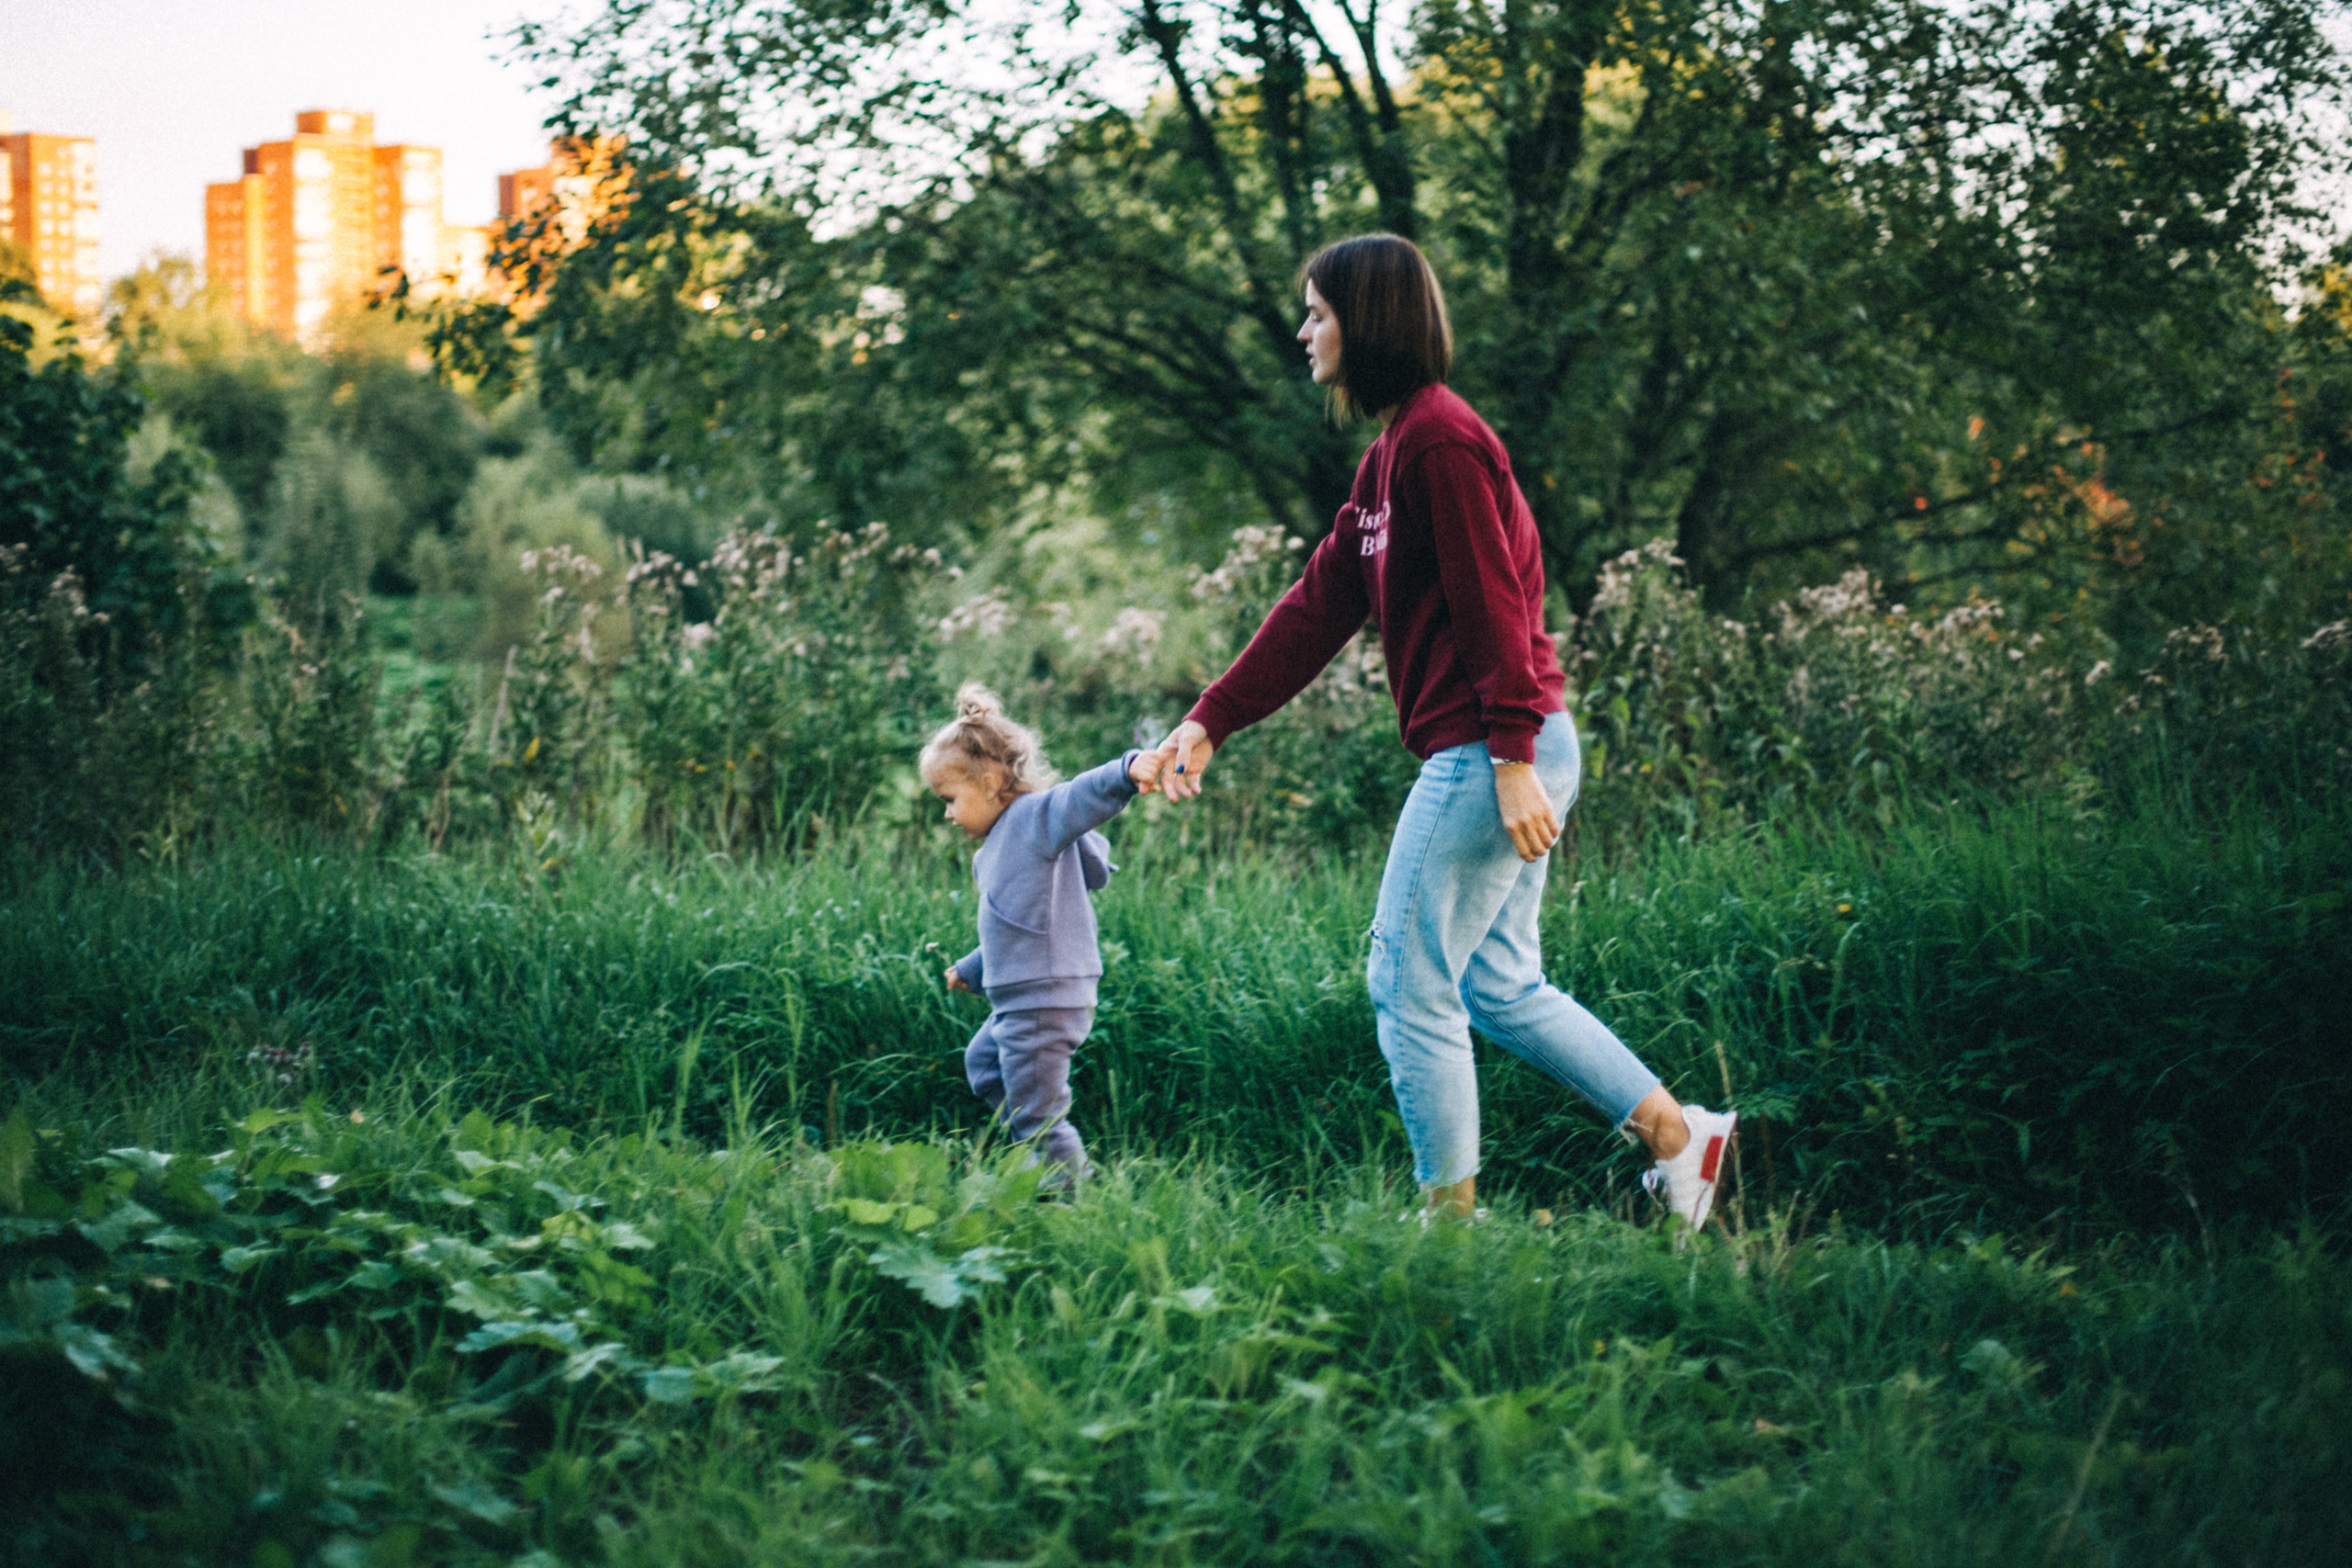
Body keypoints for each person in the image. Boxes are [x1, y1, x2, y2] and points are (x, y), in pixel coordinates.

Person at [1153, 233, 1735, 1228]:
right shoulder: (1387, 461)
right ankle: (1682, 1139)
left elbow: (1491, 605)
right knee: (1499, 984)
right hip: (1509, 741)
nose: (1303, 332)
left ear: (1368, 320)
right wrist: (1211, 720)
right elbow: (1313, 609)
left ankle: (1448, 1228)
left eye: (1319, 313)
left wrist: (1509, 757)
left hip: (1496, 744)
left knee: (1405, 979)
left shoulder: (1440, 440)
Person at [926, 682, 1158, 1186]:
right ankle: (1040, 1160)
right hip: (1025, 994)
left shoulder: (1033, 819)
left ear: (989, 780)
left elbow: (1078, 798)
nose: (946, 813)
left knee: (1038, 1112)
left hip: (1044, 997)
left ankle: (1069, 1192)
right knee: (984, 1065)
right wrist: (972, 968)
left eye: (949, 799)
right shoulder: (992, 851)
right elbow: (1015, 930)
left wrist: (1125, 769)